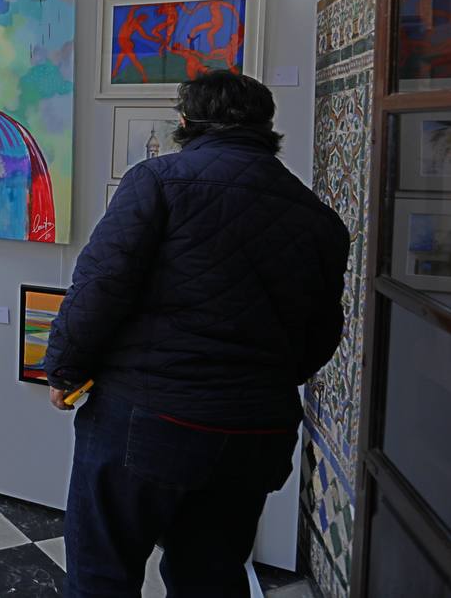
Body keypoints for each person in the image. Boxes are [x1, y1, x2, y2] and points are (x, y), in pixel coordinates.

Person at [44, 70, 349, 598]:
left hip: (147, 417)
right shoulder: (317, 216)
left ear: (184, 122)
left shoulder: (158, 180)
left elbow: (101, 286)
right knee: (211, 575)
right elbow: (322, 334)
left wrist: (65, 368)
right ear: (267, 127)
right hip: (256, 431)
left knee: (103, 571)